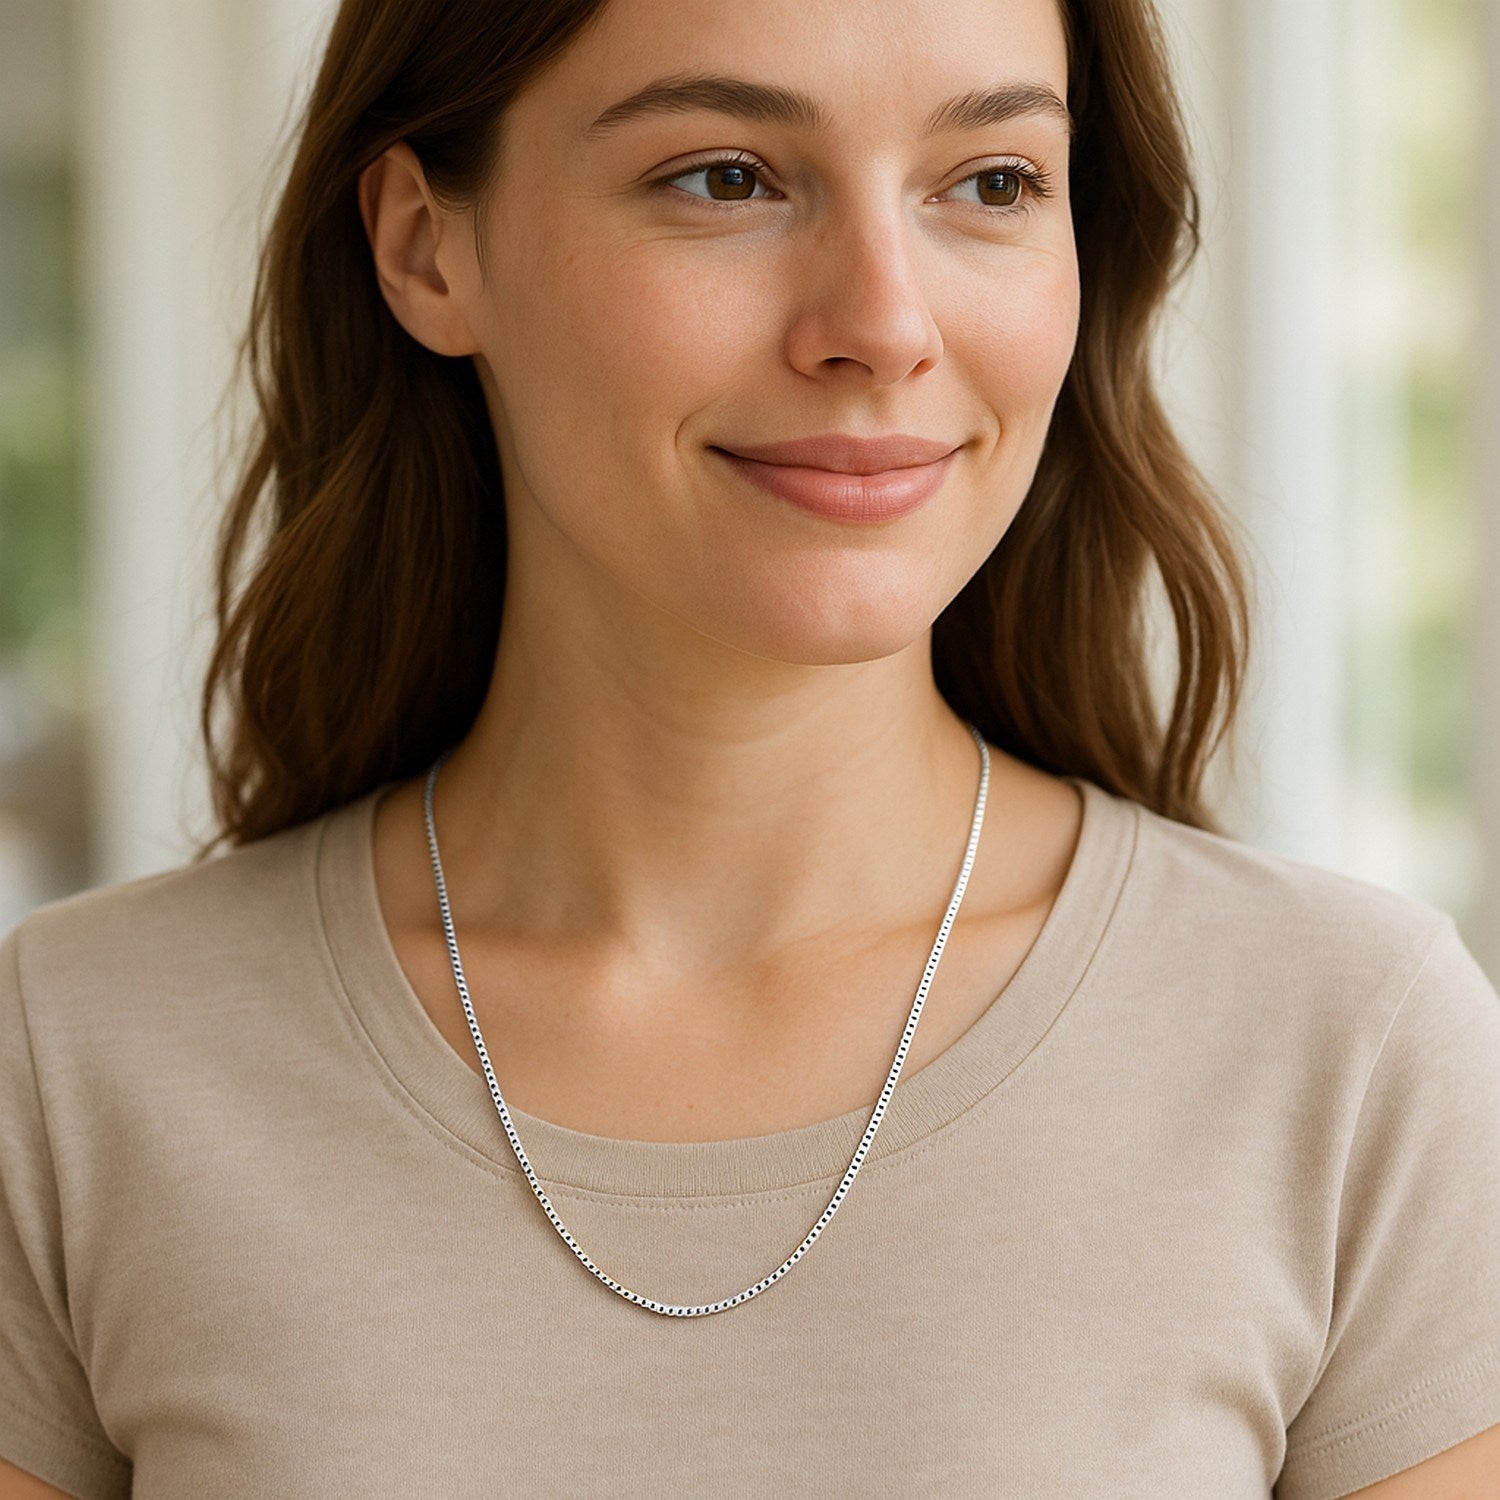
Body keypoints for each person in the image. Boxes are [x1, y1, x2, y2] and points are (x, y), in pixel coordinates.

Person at [2, 0, 1498, 1493]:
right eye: (725, 176)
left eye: (990, 184)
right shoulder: (70, 1072)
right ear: (423, 246)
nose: (884, 326)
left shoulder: (1351, 1054)